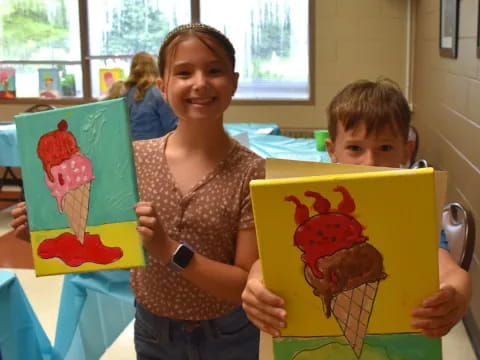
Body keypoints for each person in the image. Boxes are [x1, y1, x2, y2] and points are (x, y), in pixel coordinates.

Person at [11, 23, 264, 360]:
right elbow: (106, 248)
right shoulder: (133, 160)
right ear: (162, 86)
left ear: (233, 82)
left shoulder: (251, 171)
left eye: (214, 70)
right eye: (184, 72)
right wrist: (47, 234)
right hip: (153, 331)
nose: (200, 83)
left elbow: (243, 284)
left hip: (228, 334)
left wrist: (170, 249)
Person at [241, 78, 472, 339]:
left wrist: (457, 294)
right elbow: (272, 259)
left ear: (406, 151)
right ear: (332, 151)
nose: (370, 161)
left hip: (398, 339)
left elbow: (449, 269)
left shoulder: (413, 206)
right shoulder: (311, 201)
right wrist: (254, 282)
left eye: (385, 147)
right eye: (355, 148)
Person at [124, 51, 178, 140]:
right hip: (155, 148)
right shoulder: (158, 92)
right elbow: (171, 126)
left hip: (132, 149)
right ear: (154, 67)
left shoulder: (126, 94)